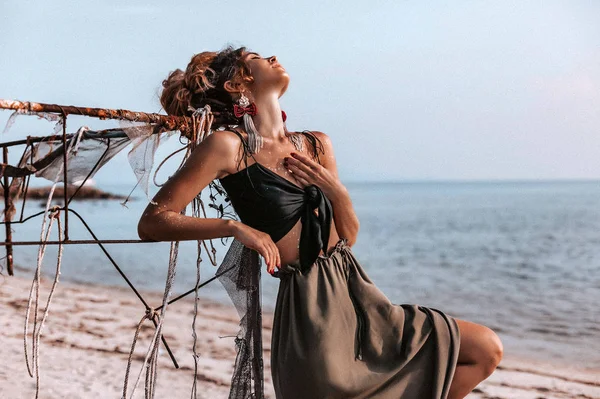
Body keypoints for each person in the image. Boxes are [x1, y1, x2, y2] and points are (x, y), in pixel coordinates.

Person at [137, 45, 503, 399]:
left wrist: (337, 193)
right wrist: (235, 228)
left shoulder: (316, 145)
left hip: (361, 297)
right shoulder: (228, 146)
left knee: (485, 349)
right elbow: (153, 222)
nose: (273, 57)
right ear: (237, 85)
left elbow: (350, 236)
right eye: (257, 58)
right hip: (311, 311)